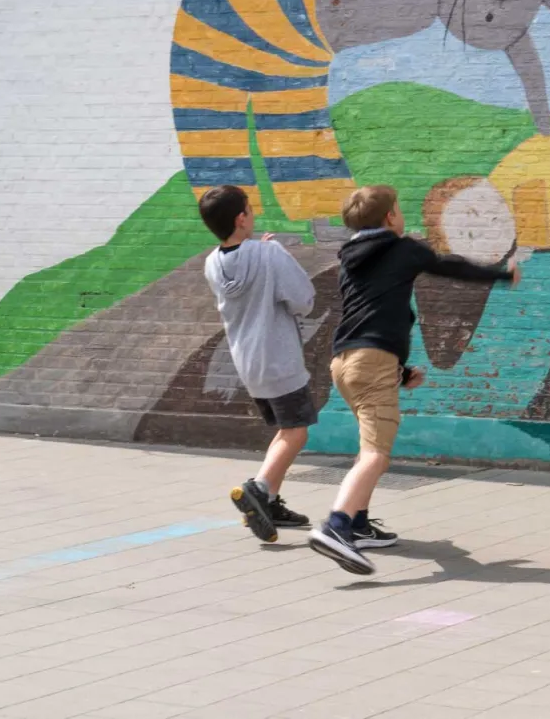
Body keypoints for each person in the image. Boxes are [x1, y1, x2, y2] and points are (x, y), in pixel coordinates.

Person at [308, 185, 519, 575]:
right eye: (400, 210)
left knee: (368, 446)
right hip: (370, 362)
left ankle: (358, 524)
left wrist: (400, 371)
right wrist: (501, 273)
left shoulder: (349, 257)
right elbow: (452, 267)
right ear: (390, 217)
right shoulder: (405, 248)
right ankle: (336, 527)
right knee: (376, 455)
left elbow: (372, 314)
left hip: (344, 361)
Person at [197, 185, 318, 544]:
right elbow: (304, 300)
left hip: (248, 362)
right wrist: (274, 252)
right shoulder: (269, 253)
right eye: (249, 209)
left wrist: (265, 251)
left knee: (283, 430)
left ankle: (270, 503)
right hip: (279, 359)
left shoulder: (212, 263)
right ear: (241, 218)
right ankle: (259, 489)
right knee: (297, 430)